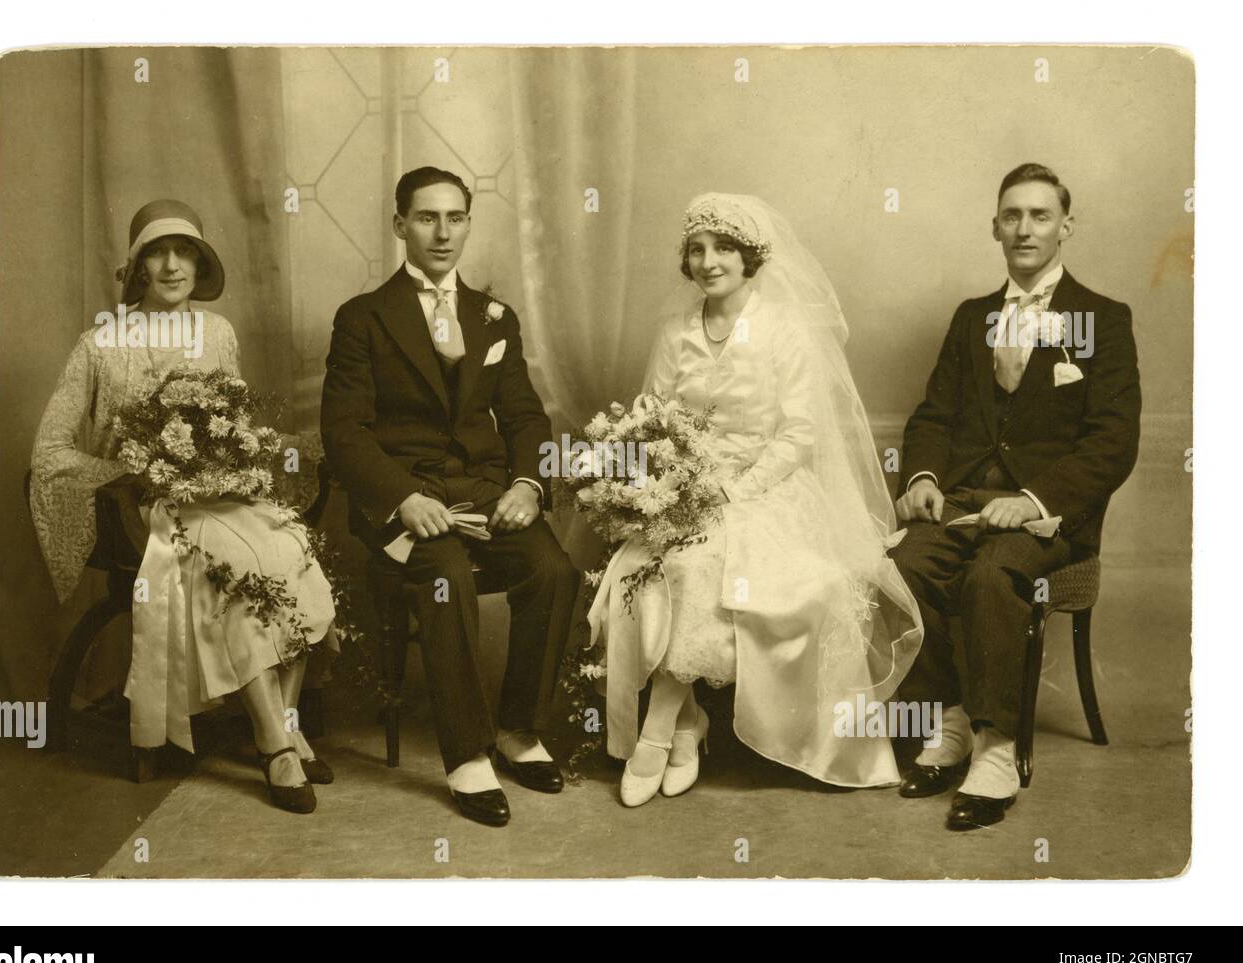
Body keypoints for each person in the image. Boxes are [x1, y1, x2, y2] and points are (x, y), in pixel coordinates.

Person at [588, 193, 923, 807]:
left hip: (768, 486)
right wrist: (664, 482)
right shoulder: (675, 332)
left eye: (724, 249)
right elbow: (653, 418)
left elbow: (798, 434)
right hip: (683, 486)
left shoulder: (783, 329)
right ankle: (685, 726)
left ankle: (661, 730)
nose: (709, 261)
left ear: (750, 258)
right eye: (697, 250)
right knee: (658, 568)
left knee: (707, 568)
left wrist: (732, 489)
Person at [31, 199, 337, 814]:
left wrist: (256, 449)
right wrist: (133, 470)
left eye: (184, 252)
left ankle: (286, 718)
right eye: (156, 252)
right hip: (145, 508)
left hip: (222, 492)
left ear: (199, 263)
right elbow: (49, 451)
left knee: (291, 546)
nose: (172, 265)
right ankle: (273, 745)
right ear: (138, 266)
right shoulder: (100, 344)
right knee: (234, 563)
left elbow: (235, 423)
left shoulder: (218, 333)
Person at [321, 167, 579, 828]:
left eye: (455, 218)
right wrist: (403, 497)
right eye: (427, 217)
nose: (442, 232)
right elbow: (343, 433)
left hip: (482, 494)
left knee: (553, 570)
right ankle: (467, 756)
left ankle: (520, 731)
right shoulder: (363, 319)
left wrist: (526, 483)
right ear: (400, 224)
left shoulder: (493, 318)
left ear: (468, 222)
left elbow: (524, 417)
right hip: (404, 503)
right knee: (448, 576)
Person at [890, 163, 1141, 830]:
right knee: (902, 565)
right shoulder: (972, 318)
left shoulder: (1103, 319)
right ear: (994, 227)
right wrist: (921, 480)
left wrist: (1032, 500)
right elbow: (934, 417)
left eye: (1039, 215)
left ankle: (996, 751)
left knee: (991, 573)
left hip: (1049, 518)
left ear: (1066, 226)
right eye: (1011, 215)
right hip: (965, 499)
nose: (1024, 227)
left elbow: (1113, 442)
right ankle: (950, 722)